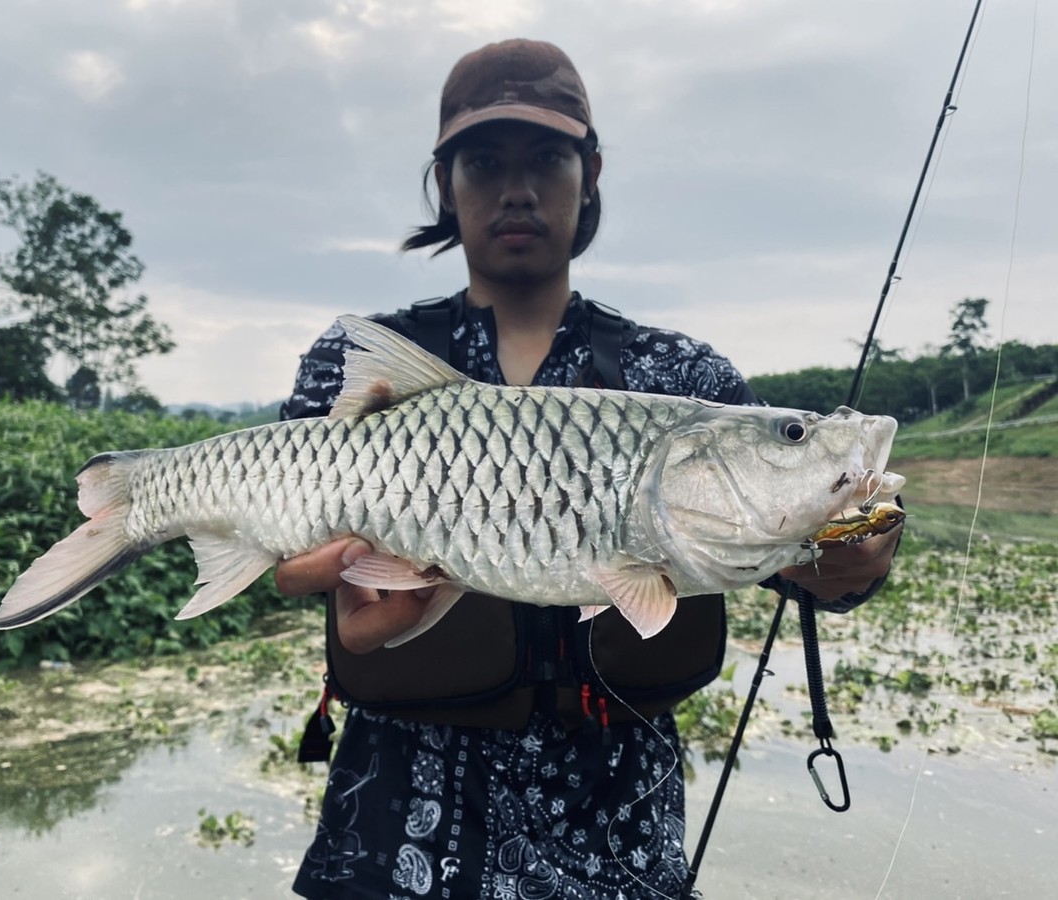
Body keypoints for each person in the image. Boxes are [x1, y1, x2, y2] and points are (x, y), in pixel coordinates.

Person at [276, 38, 902, 899]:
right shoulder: (364, 361)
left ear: (591, 171)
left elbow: (809, 573)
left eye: (548, 158)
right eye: (484, 162)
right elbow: (291, 551)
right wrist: (317, 572)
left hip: (616, 833)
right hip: (392, 830)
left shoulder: (683, 377)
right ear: (445, 182)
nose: (517, 188)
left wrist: (851, 558)